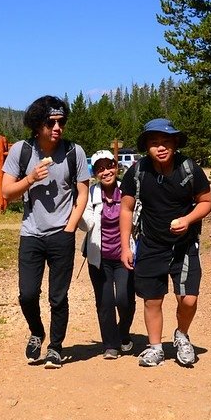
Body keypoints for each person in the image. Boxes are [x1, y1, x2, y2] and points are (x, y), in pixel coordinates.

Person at [1, 95, 90, 369]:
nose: (57, 127)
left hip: (61, 233)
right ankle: (36, 332)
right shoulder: (22, 151)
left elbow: (83, 192)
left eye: (61, 121)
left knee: (58, 296)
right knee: (27, 294)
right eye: (51, 122)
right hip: (31, 233)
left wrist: (71, 226)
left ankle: (55, 347)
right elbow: (6, 191)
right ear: (37, 124)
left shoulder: (75, 152)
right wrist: (30, 179)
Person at [119, 118, 211, 367]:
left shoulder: (189, 168)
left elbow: (206, 201)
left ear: (175, 143)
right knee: (152, 299)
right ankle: (155, 347)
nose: (160, 147)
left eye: (165, 142)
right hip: (150, 244)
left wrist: (188, 219)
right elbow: (126, 209)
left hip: (184, 244)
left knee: (189, 299)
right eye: (154, 143)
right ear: (147, 147)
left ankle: (181, 335)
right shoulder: (137, 171)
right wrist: (125, 245)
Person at [78, 150, 136, 359]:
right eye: (100, 168)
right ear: (95, 173)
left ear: (116, 167)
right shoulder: (90, 194)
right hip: (99, 257)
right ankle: (111, 344)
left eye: (109, 166)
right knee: (105, 302)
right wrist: (75, 215)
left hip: (124, 255)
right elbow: (87, 223)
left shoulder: (128, 191)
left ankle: (123, 332)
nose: (106, 172)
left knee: (124, 299)